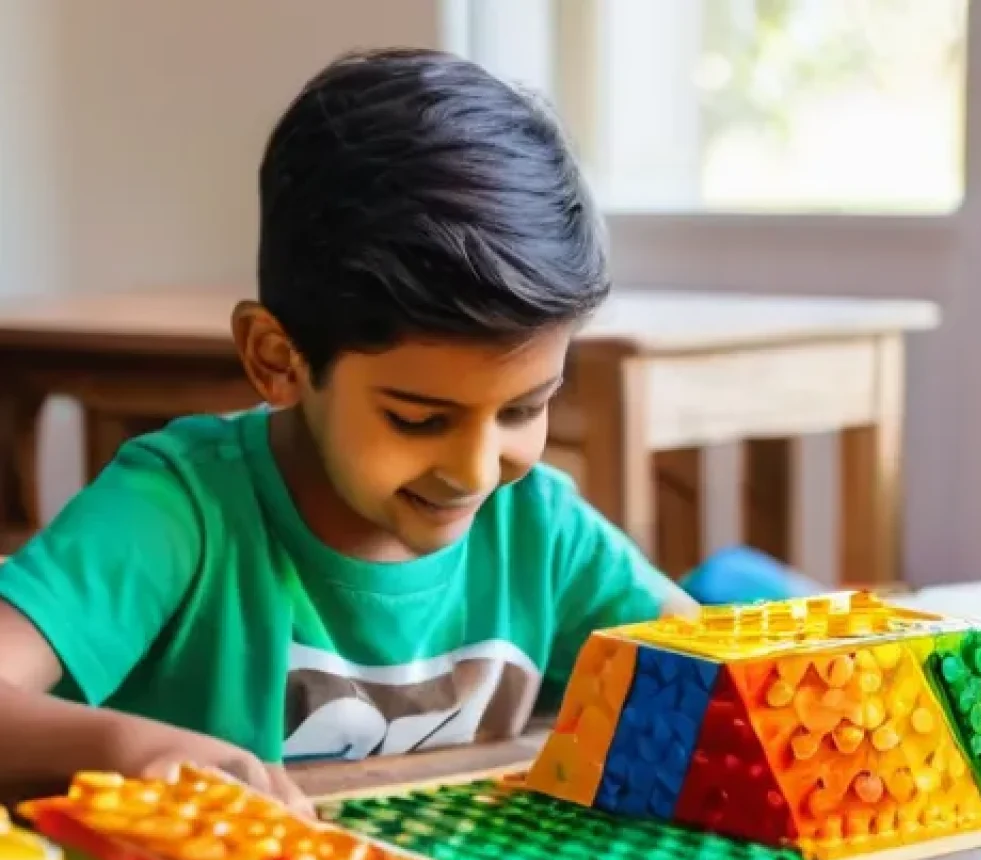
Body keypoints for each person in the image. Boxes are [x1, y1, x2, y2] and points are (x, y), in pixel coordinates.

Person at [0, 48, 701, 815]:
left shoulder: (541, 529)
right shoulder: (181, 511)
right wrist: (132, 748)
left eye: (522, 410)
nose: (473, 469)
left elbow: (709, 677)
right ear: (279, 360)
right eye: (418, 419)